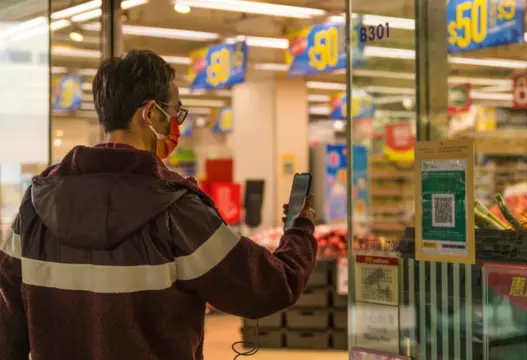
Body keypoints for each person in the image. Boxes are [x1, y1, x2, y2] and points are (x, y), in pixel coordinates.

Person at [0, 50, 317, 360]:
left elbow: (7, 328)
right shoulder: (179, 212)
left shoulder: (35, 207)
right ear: (150, 113)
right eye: (175, 113)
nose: (176, 125)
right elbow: (268, 287)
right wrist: (299, 229)